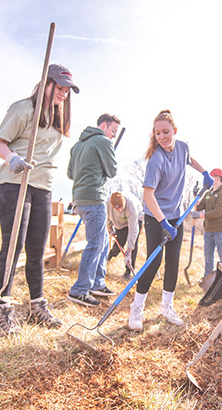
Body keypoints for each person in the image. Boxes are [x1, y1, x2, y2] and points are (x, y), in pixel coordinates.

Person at [0, 63, 79, 335]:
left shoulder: (59, 117)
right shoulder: (23, 109)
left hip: (42, 187)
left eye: (67, 90)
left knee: (38, 250)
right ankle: (1, 307)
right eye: (60, 87)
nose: (64, 93)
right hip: (15, 182)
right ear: (46, 83)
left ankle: (37, 304)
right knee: (13, 246)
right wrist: (11, 158)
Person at [127, 109, 214, 331]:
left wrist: (204, 172)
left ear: (175, 131)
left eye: (166, 132)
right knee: (153, 261)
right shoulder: (156, 160)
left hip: (176, 213)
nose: (162, 137)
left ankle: (166, 306)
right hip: (155, 215)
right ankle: (136, 309)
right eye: (157, 133)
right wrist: (163, 222)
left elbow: (189, 159)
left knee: (173, 261)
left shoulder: (182, 147)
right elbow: (148, 195)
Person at [66, 114, 121, 307]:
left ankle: (97, 283)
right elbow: (112, 171)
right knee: (96, 243)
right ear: (103, 126)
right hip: (94, 198)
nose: (113, 135)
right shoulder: (103, 142)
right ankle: (80, 290)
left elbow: (70, 173)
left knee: (104, 241)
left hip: (79, 199)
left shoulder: (77, 145)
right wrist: (109, 154)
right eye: (113, 130)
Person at [194, 168, 222, 279]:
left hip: (221, 231)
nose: (209, 180)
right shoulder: (208, 193)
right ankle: (207, 278)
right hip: (208, 230)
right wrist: (196, 198)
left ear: (217, 178)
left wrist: (201, 215)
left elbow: (217, 212)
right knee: (208, 257)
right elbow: (199, 207)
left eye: (211, 177)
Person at [106, 191, 142, 279]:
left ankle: (128, 271)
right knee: (120, 243)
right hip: (119, 224)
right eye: (117, 209)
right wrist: (109, 227)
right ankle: (109, 257)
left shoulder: (131, 206)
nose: (120, 210)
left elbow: (133, 230)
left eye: (121, 208)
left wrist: (129, 250)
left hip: (136, 220)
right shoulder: (107, 204)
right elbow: (106, 217)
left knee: (133, 245)